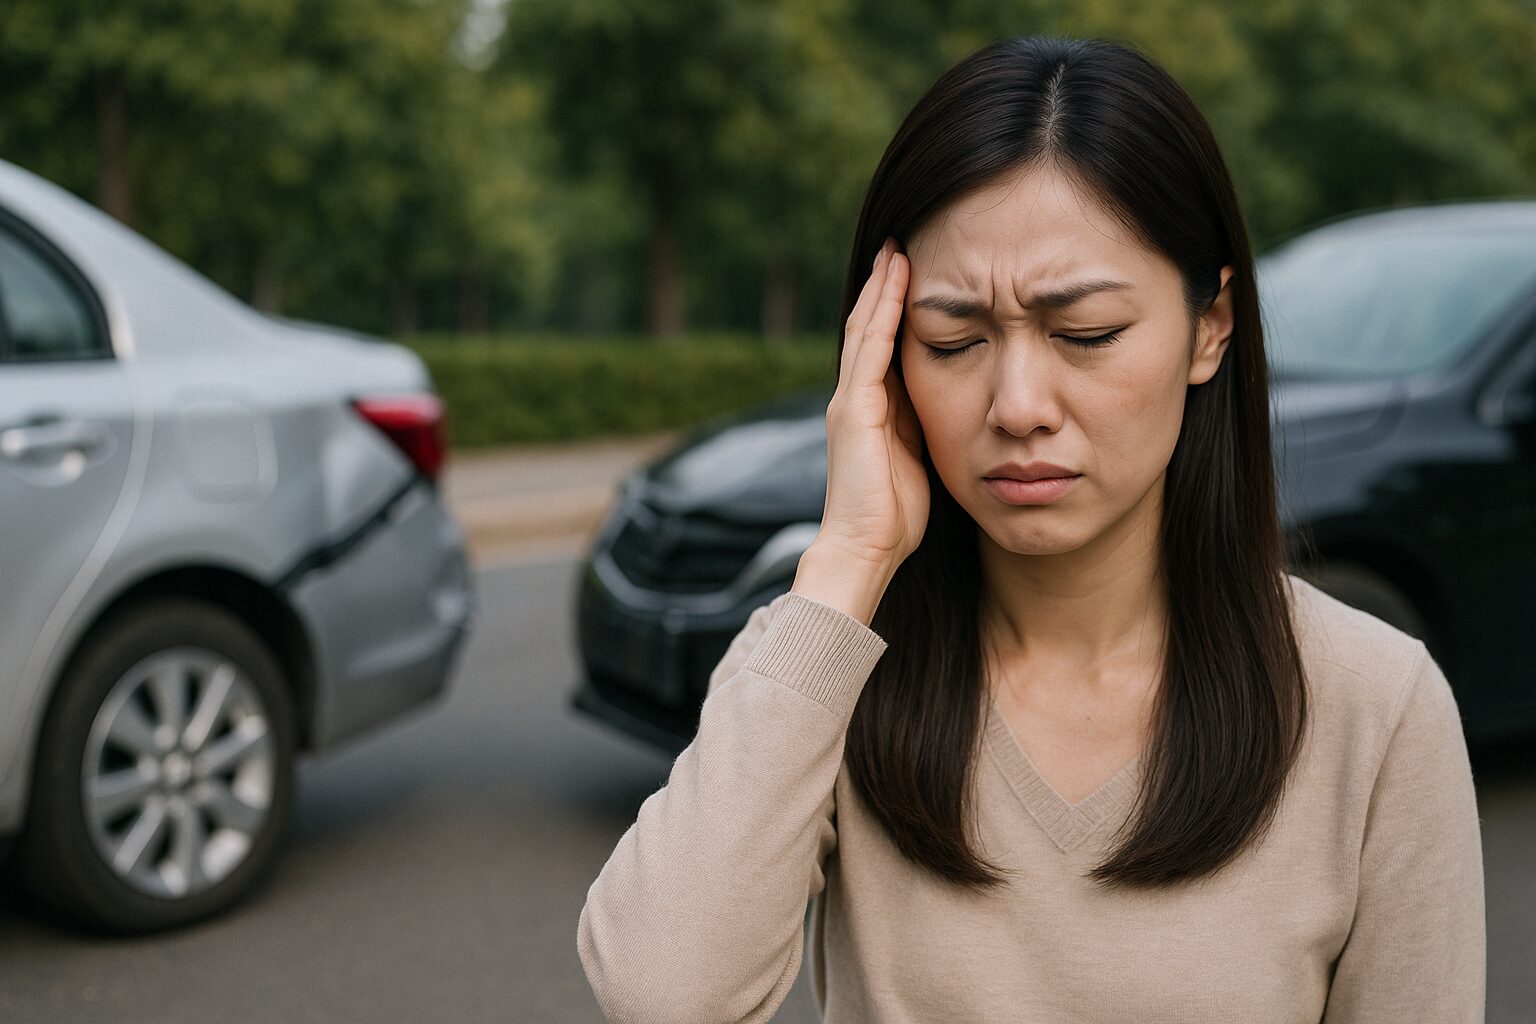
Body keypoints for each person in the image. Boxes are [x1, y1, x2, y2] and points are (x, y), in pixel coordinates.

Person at [577, 35, 1485, 1023]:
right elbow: (661, 996)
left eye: (1084, 334)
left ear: (1210, 326)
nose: (1017, 404)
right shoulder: (825, 669)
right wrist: (845, 560)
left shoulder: (1374, 706)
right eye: (951, 340)